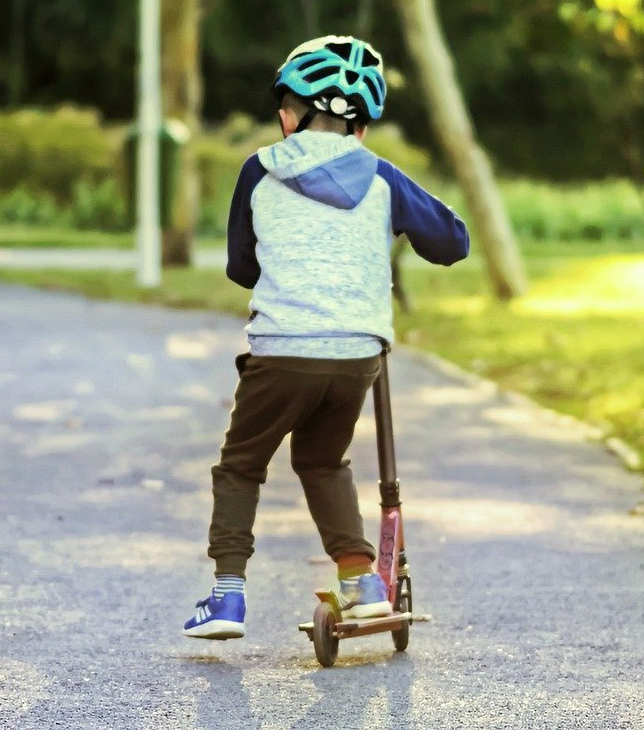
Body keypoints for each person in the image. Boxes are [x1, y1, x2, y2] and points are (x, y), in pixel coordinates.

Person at [182, 36, 471, 640]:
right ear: (360, 127)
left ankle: (228, 598)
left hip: (284, 349)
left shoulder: (259, 169)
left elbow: (241, 266)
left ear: (288, 116)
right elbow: (451, 243)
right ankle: (362, 585)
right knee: (321, 460)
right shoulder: (383, 176)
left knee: (242, 464)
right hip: (356, 355)